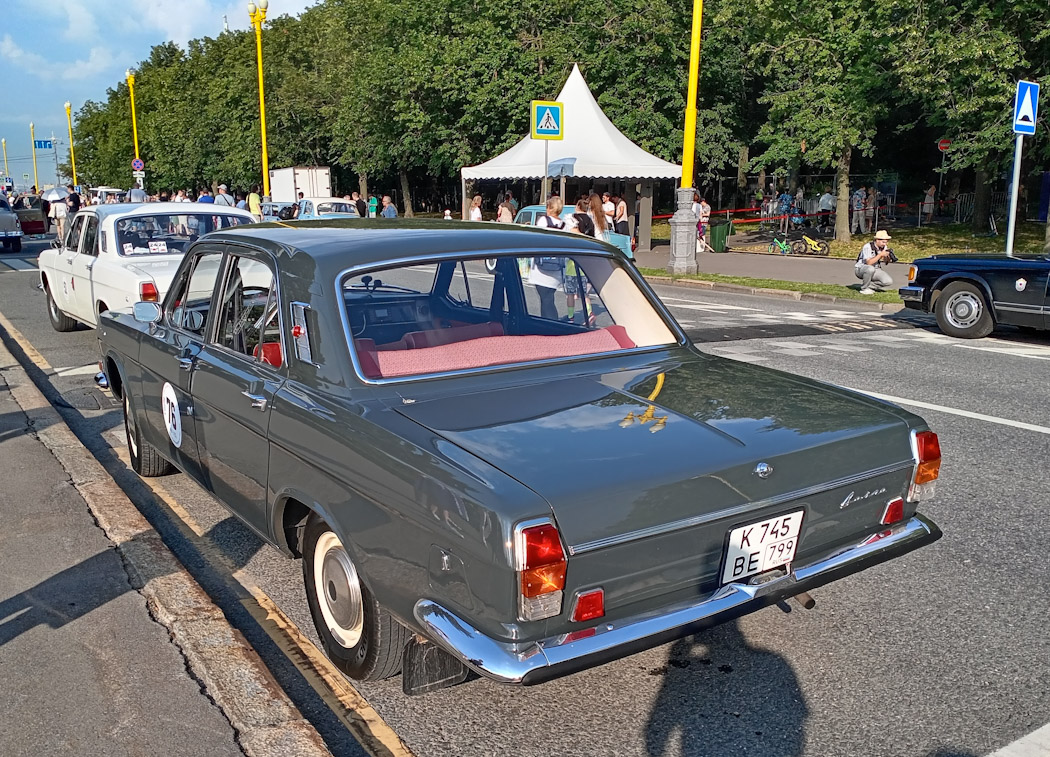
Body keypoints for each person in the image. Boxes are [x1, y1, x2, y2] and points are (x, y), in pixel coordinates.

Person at [854, 229, 895, 294]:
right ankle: (864, 289)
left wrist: (887, 257)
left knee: (888, 281)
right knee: (870, 269)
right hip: (861, 269)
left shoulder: (884, 247)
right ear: (877, 240)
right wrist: (880, 254)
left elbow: (886, 263)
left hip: (876, 268)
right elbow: (868, 263)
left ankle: (869, 286)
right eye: (883, 242)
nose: (885, 244)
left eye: (886, 242)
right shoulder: (868, 247)